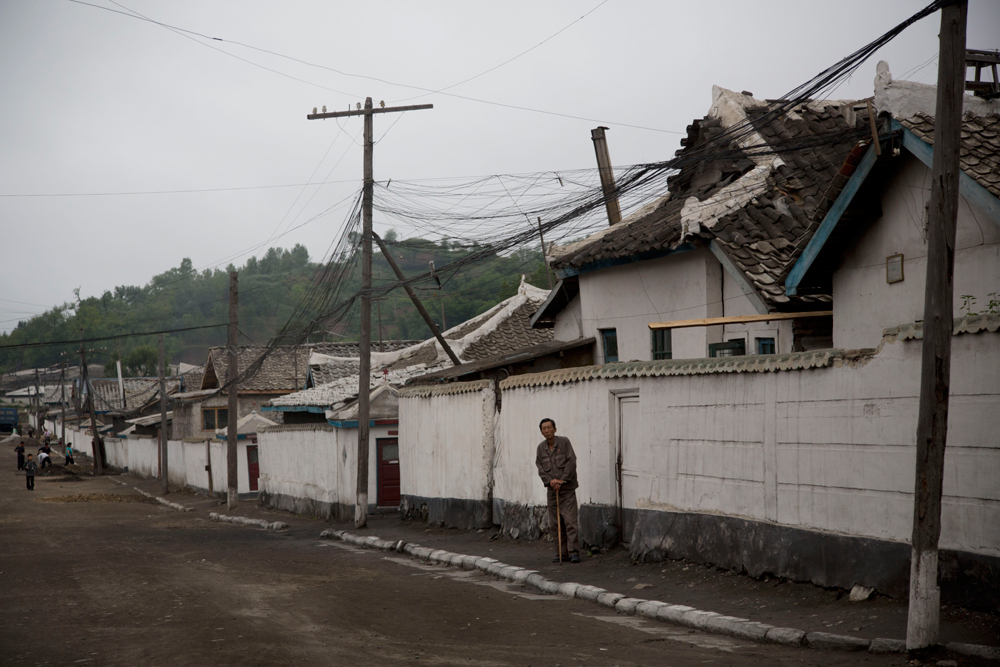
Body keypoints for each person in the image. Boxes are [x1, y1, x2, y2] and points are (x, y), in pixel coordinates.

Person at [535, 418, 580, 564]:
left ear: (555, 429)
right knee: (555, 524)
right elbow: (540, 468)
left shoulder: (564, 442)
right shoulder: (540, 448)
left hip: (566, 490)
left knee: (570, 522)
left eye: (549, 427)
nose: (547, 430)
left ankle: (573, 552)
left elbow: (571, 461)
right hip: (552, 490)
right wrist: (550, 481)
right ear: (541, 431)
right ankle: (561, 553)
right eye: (544, 428)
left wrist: (562, 480)